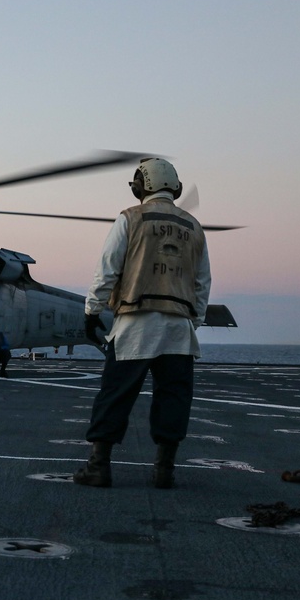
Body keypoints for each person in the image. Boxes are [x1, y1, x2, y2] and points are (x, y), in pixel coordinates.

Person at [73, 158, 211, 490]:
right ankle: (164, 470)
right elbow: (202, 281)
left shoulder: (130, 219)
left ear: (140, 186)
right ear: (175, 188)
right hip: (179, 330)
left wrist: (92, 311)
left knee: (115, 395)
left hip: (136, 324)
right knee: (174, 398)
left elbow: (108, 268)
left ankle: (99, 466)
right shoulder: (193, 226)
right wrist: (195, 320)